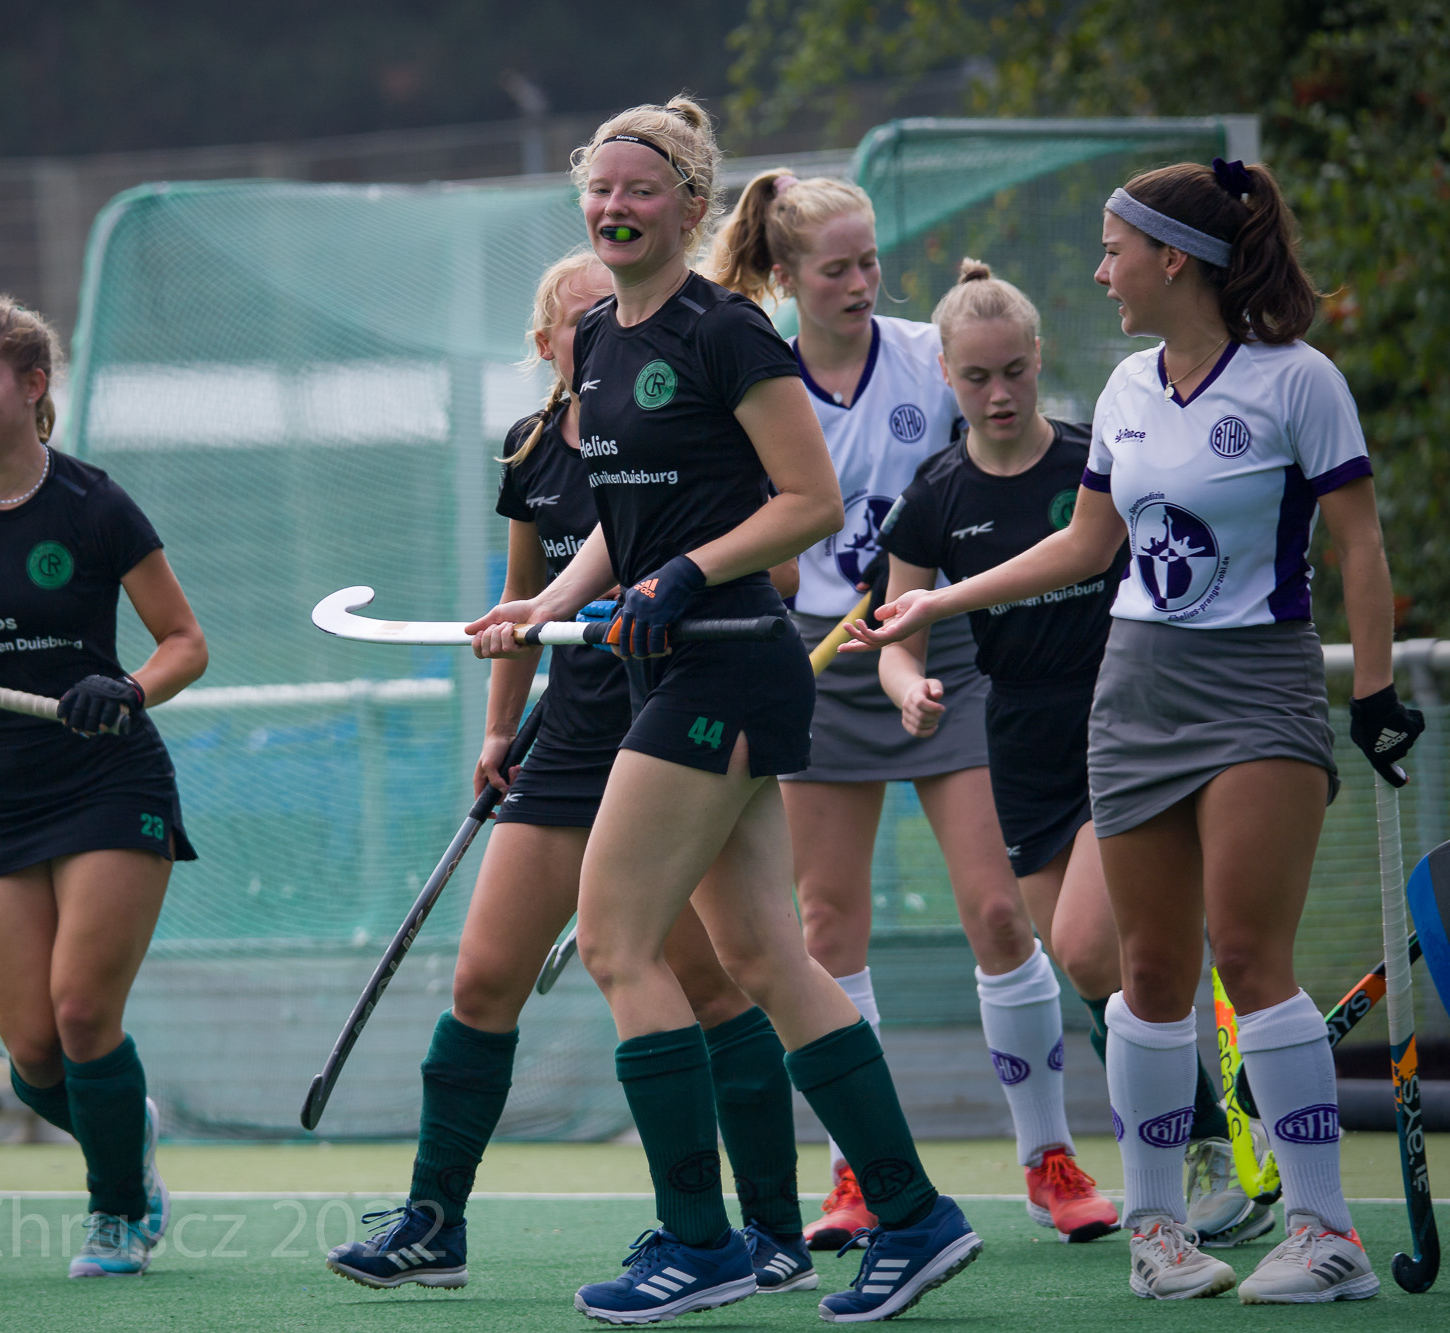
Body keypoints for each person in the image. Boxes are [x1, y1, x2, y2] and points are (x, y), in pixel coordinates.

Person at [845, 159, 1424, 1303]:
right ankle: (1156, 1234)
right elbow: (1084, 545)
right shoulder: (1123, 389)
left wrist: (1368, 693)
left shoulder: (1296, 380)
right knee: (1145, 974)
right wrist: (936, 603)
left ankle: (1324, 1233)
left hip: (1256, 684)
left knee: (1247, 956)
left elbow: (1357, 543)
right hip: (1134, 691)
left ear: (1173, 259)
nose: (1101, 272)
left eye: (1114, 252)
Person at [466, 98, 981, 1325]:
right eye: (600, 189)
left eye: (640, 190)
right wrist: (544, 606)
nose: (613, 207)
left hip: (729, 661)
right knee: (763, 958)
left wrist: (685, 575)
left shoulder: (726, 329)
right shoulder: (598, 336)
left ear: (690, 207)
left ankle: (700, 1243)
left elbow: (807, 503)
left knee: (615, 942)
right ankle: (914, 1215)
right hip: (682, 668)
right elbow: (620, 521)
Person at [327, 251, 819, 1297]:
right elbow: (524, 597)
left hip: (673, 722)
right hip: (568, 737)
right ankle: (433, 1222)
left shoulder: (690, 421)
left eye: (610, 309)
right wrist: (499, 729)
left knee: (710, 982)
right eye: (577, 318)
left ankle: (768, 1229)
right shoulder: (530, 447)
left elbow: (777, 566)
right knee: (482, 976)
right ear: (549, 342)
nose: (602, 329)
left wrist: (666, 584)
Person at [711, 169, 1067, 1247]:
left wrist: (937, 584)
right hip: (814, 665)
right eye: (836, 269)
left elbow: (1005, 456)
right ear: (785, 276)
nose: (862, 282)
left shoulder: (927, 356)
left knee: (998, 910)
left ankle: (1049, 1158)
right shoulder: (753, 378)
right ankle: (857, 1173)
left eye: (870, 261)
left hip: (943, 647)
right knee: (826, 926)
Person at [880, 258, 1266, 1249]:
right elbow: (898, 630)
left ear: (1039, 358)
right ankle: (1206, 1135)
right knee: (1088, 966)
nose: (999, 393)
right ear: (946, 377)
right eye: (976, 377)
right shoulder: (934, 494)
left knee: (1096, 946)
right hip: (1018, 741)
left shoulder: (1095, 463)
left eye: (1014, 370)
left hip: (1121, 722)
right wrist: (907, 685)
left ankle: (1202, 1148)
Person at [0, 291, 209, 1279]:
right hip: (2, 790)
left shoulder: (94, 504)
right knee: (33, 1058)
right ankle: (125, 1126)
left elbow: (185, 642)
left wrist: (126, 688)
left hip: (107, 776)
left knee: (83, 1015)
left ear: (32, 385)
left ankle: (117, 1212)